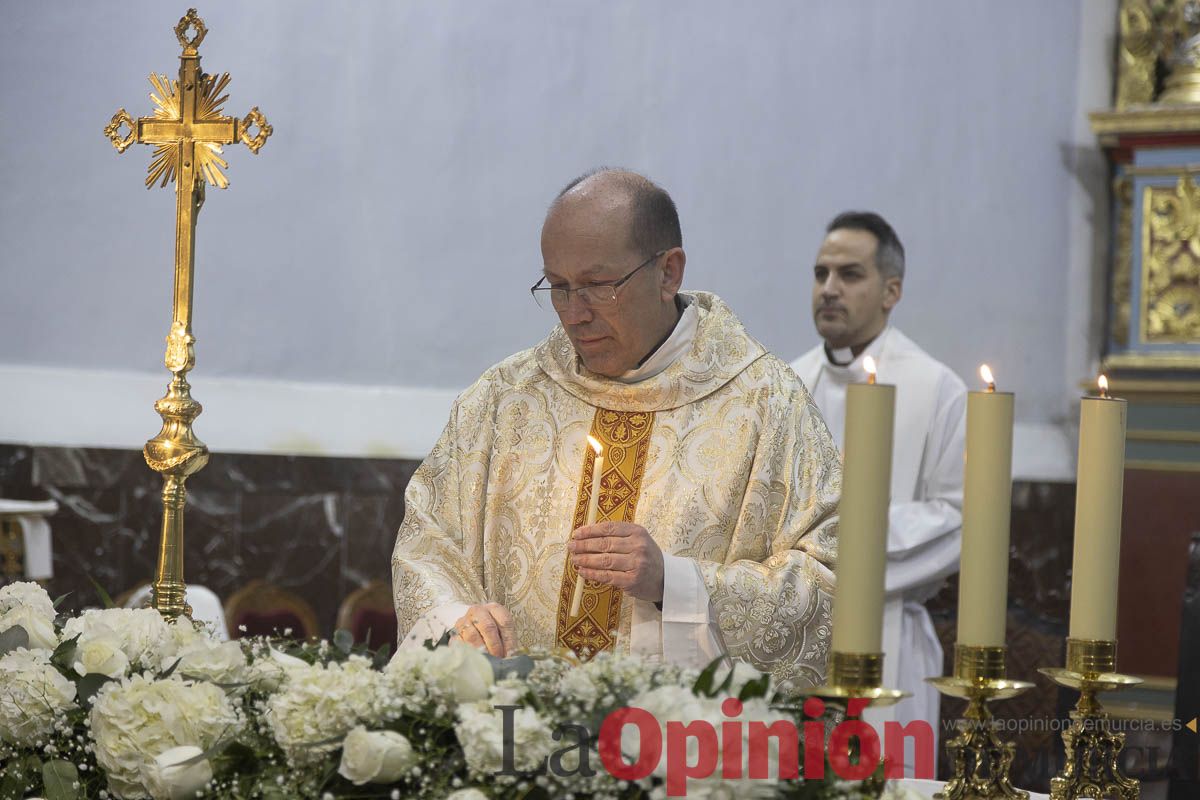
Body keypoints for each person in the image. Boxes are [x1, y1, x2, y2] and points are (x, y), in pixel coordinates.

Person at [392, 168, 842, 688]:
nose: (573, 315)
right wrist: (457, 621)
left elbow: (828, 583)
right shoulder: (503, 400)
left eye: (597, 287)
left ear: (668, 272)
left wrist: (676, 583)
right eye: (558, 287)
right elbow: (428, 543)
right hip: (516, 736)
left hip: (680, 749)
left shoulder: (767, 404)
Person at [790, 211, 966, 737]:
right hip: (791, 628)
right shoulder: (788, 383)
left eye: (850, 274)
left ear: (892, 291)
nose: (829, 289)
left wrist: (840, 543)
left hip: (887, 639)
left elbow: (961, 520)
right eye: (821, 274)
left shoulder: (937, 389)